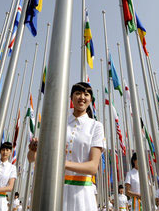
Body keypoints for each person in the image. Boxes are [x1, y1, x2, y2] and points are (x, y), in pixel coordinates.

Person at [28, 82, 104, 211]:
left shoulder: (96, 126)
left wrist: (61, 163)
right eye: (78, 93)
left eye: (86, 94)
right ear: (71, 97)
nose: (82, 97)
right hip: (54, 189)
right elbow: (32, 159)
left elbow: (92, 167)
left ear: (90, 99)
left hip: (82, 194)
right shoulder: (58, 123)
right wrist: (33, 150)